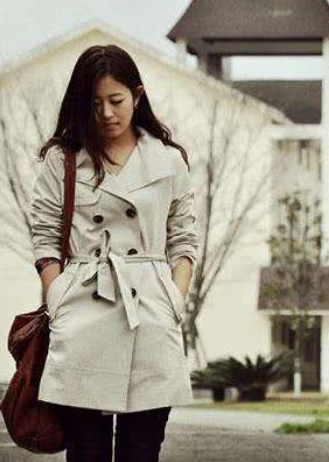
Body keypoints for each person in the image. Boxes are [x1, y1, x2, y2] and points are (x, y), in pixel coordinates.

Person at [29, 44, 198, 462]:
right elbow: (45, 236)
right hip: (83, 312)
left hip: (151, 313)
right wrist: (58, 297)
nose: (106, 113)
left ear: (137, 96)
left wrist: (175, 299)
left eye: (116, 100)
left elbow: (183, 239)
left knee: (142, 450)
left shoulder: (168, 160)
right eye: (94, 103)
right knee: (86, 452)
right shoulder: (63, 160)